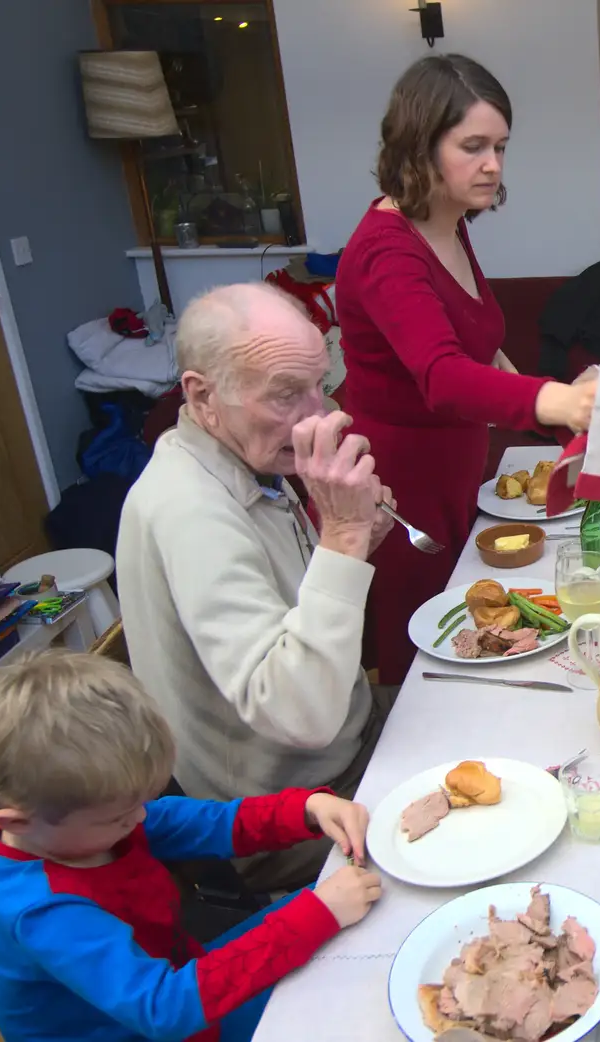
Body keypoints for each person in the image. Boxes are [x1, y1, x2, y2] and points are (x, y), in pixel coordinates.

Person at [118, 282, 390, 893]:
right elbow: (302, 713)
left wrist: (349, 543)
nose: (319, 415)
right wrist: (342, 534)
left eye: (320, 384)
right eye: (286, 395)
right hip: (289, 810)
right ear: (202, 395)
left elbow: (287, 616)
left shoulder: (245, 454)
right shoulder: (188, 509)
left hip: (349, 738)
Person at [335, 54, 597, 684]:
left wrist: (546, 396)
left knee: (475, 631)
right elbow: (444, 375)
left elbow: (482, 349)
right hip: (400, 480)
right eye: (473, 146)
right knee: (423, 657)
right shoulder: (387, 249)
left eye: (501, 147)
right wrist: (553, 400)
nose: (493, 165)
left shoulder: (446, 225)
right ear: (419, 147)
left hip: (455, 466)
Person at [0, 651, 382, 1042]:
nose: (141, 819)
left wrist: (304, 809)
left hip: (179, 984)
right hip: (162, 1017)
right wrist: (314, 917)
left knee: (365, 919)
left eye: (141, 803)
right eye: (120, 817)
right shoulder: (43, 912)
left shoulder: (79, 826)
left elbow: (202, 824)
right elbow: (165, 1009)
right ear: (17, 822)